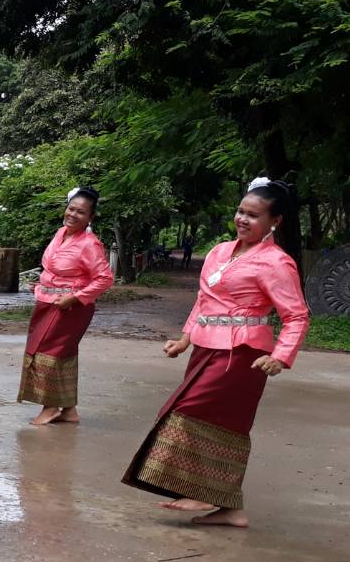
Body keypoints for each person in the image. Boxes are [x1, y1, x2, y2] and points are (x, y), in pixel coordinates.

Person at [122, 178, 308, 528]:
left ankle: (203, 492)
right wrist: (184, 339)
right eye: (241, 211)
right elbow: (204, 300)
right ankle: (230, 508)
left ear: (275, 222)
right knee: (222, 423)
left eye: (253, 216)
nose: (243, 219)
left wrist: (281, 356)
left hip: (243, 353)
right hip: (207, 347)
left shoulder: (276, 262)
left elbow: (296, 315)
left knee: (192, 413)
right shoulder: (220, 251)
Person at [17, 186, 114, 425]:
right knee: (60, 355)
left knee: (48, 354)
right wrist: (41, 286)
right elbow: (53, 269)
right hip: (47, 303)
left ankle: (50, 407)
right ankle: (69, 410)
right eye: (71, 209)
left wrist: (74, 298)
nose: (73, 214)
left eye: (81, 212)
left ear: (90, 218)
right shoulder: (61, 233)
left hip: (70, 308)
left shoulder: (89, 244)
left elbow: (105, 278)